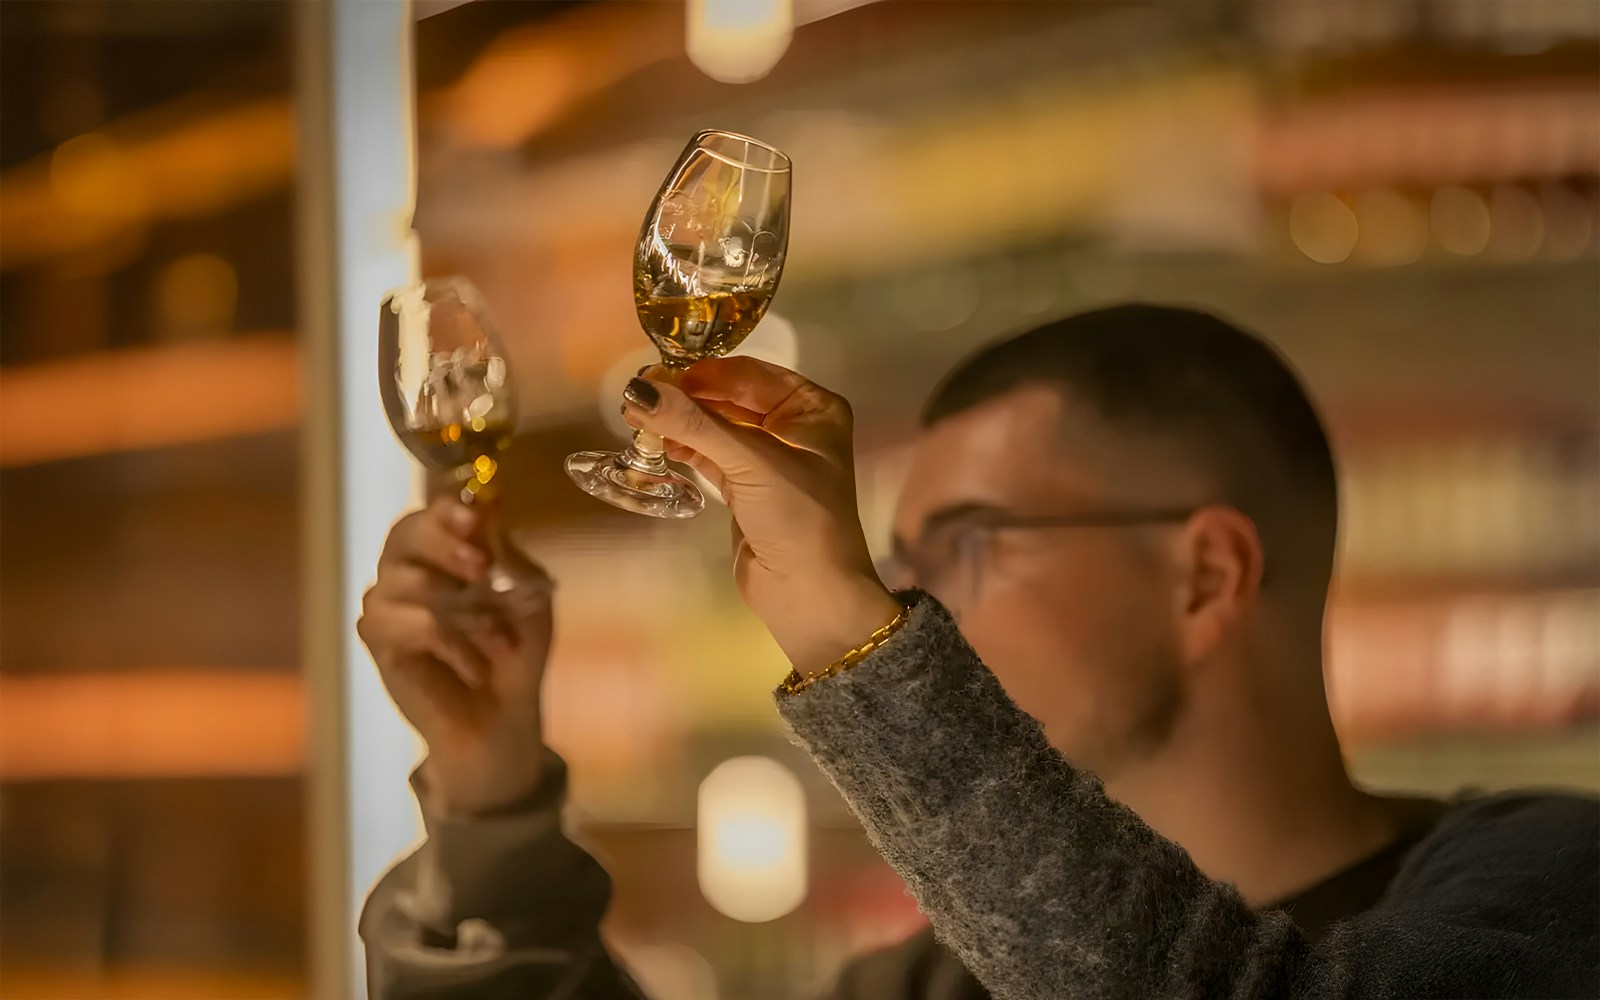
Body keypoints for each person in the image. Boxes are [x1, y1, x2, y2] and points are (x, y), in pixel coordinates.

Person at [358, 304, 1599, 999]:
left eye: (965, 544)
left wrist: (852, 629)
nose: (915, 606)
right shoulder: (929, 986)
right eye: (899, 565)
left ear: (1206, 573)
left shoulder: (1546, 888)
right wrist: (489, 791)